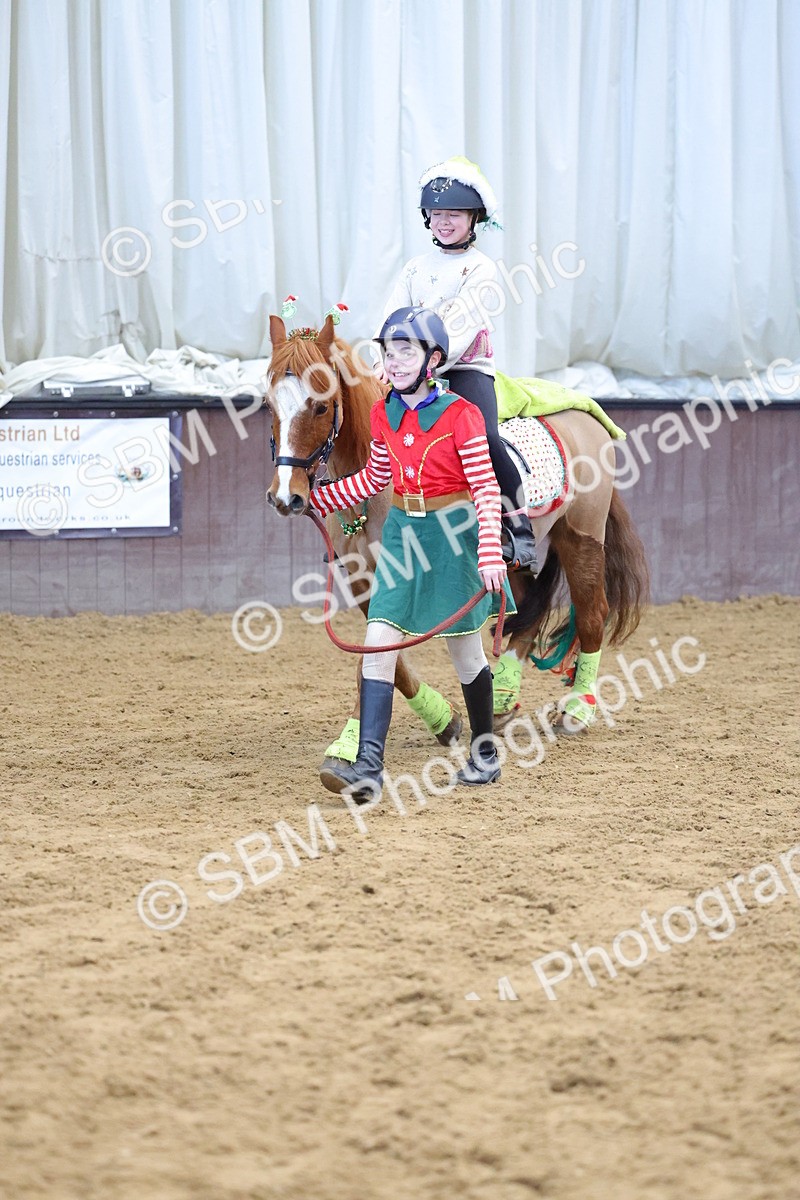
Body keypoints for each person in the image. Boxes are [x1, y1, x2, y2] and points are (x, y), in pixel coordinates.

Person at [310, 306, 515, 804]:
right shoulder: (383, 412)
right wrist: (318, 500)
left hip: (453, 534)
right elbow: (376, 478)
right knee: (380, 640)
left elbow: (486, 489)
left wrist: (491, 551)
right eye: (388, 351)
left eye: (407, 350)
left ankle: (484, 751)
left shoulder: (462, 416)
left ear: (433, 359)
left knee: (464, 653)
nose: (394, 360)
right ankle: (369, 768)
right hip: (403, 532)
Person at [375, 155, 538, 573]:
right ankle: (357, 526)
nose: (444, 222)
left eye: (455, 214)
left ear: (474, 219)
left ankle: (517, 527)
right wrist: (385, 361)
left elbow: (460, 325)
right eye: (437, 214)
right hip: (410, 370)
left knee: (484, 435)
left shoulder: (481, 268)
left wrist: (425, 365)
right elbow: (391, 315)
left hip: (463, 367)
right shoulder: (414, 267)